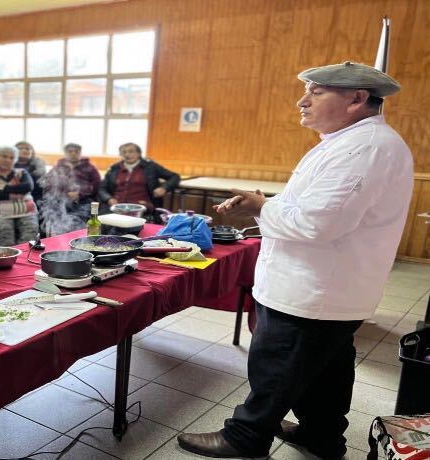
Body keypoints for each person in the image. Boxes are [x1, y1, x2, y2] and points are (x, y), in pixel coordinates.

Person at [177, 62, 413, 459]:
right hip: (331, 289)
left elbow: (319, 223)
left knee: (276, 365)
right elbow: (317, 207)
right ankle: (322, 435)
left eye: (316, 92)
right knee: (326, 369)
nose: (301, 101)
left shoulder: (364, 148)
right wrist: (266, 204)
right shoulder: (351, 141)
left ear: (357, 98)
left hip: (312, 291)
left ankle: (246, 438)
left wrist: (260, 208)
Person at [0, 146, 38, 246]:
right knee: (5, 232)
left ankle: (25, 254)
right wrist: (12, 195)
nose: (8, 160)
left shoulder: (21, 172)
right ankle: (9, 255)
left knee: (31, 231)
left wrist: (5, 189)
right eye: (4, 156)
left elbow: (28, 186)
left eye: (12, 158)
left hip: (26, 212)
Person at [98, 142, 180, 214]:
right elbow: (102, 188)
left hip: (142, 206)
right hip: (117, 206)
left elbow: (175, 176)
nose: (127, 155)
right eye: (124, 152)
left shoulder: (151, 167)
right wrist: (109, 199)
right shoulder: (114, 169)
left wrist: (164, 188)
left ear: (139, 153)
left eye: (131, 151)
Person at [38, 143, 101, 235]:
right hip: (61, 200)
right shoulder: (57, 167)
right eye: (70, 151)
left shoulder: (89, 167)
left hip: (83, 200)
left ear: (80, 153)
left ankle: (79, 238)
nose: (73, 153)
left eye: (76, 151)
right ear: (65, 153)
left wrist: (79, 194)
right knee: (53, 215)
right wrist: (64, 194)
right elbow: (48, 184)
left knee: (81, 218)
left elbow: (96, 184)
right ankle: (59, 239)